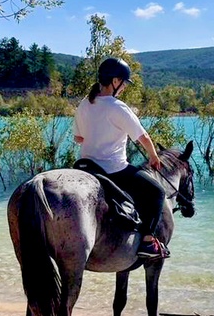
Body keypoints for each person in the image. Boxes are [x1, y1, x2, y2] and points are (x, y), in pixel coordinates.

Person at [73, 57, 170, 259]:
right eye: (124, 83)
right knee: (157, 193)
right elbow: (143, 136)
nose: (124, 87)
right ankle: (147, 242)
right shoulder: (117, 107)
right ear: (115, 81)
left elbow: (79, 138)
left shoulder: (84, 104)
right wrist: (153, 156)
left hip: (86, 167)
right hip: (113, 170)